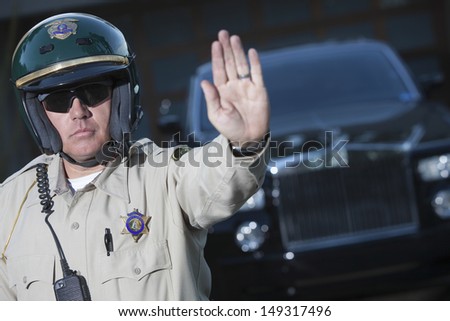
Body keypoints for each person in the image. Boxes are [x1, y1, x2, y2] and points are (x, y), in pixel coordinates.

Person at [0, 12, 270, 300]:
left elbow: (218, 181)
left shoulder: (165, 175)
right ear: (38, 114)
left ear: (121, 98)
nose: (78, 112)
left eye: (93, 92)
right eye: (57, 100)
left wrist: (244, 141)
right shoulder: (8, 207)